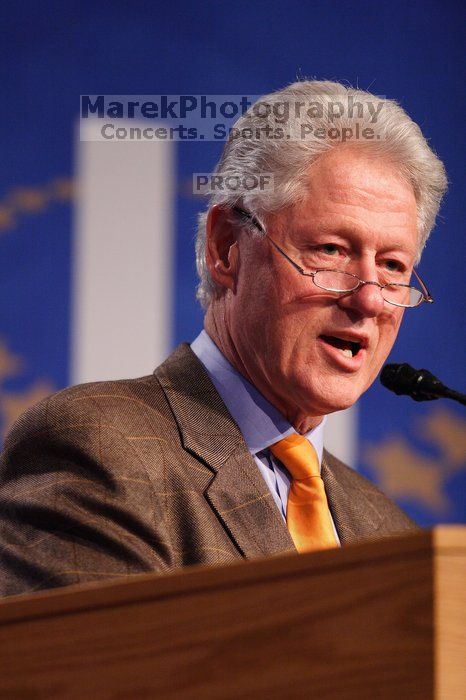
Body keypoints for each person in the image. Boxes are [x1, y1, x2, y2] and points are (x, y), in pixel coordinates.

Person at [0, 81, 447, 598]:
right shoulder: (100, 448)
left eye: (393, 266)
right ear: (227, 247)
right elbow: (97, 676)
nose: (369, 300)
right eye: (330, 249)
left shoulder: (388, 531)